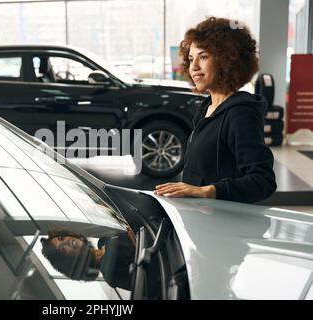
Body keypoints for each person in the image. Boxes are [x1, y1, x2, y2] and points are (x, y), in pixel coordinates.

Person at [154, 17, 276, 204]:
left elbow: (262, 181)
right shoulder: (206, 108)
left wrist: (207, 191)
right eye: (191, 59)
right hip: (200, 218)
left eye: (203, 57)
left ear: (226, 60)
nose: (194, 67)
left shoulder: (241, 114)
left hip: (221, 225)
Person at [41, 228, 136, 290]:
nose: (67, 242)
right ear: (69, 261)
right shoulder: (111, 272)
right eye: (63, 249)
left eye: (62, 238)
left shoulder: (104, 239)